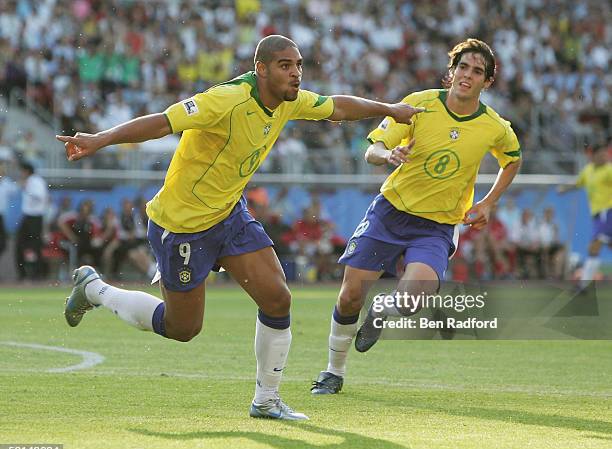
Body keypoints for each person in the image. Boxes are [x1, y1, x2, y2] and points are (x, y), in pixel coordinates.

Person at [56, 35, 423, 420]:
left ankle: (266, 400)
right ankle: (95, 290)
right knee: (182, 328)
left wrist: (389, 109)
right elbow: (164, 122)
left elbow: (339, 107)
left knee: (278, 299)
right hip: (182, 225)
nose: (296, 73)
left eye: (298, 65)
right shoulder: (226, 99)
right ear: (261, 69)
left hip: (229, 215)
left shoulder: (289, 100)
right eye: (286, 65)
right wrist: (102, 138)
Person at [311, 38, 522, 395]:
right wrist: (387, 154)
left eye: (477, 72)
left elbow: (512, 158)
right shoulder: (418, 105)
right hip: (389, 213)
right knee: (349, 297)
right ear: (451, 71)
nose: (467, 76)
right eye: (462, 68)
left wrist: (488, 203)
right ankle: (333, 371)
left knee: (410, 302)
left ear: (487, 83)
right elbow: (372, 150)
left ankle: (381, 310)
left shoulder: (494, 126)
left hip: (437, 225)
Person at [559, 143, 612, 289]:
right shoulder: (587, 171)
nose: (605, 157)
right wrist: (565, 188)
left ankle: (582, 285)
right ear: (593, 156)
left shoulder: (609, 170)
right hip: (598, 216)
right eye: (601, 154)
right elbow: (578, 183)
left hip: (607, 213)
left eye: (605, 154)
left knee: (593, 247)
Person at [15, 161, 49, 280]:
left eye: (22, 171)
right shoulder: (30, 181)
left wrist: (27, 188)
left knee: (34, 246)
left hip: (35, 217)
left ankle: (36, 274)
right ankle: (23, 274)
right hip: (28, 216)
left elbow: (40, 196)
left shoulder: (36, 181)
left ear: (26, 171)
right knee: (21, 245)